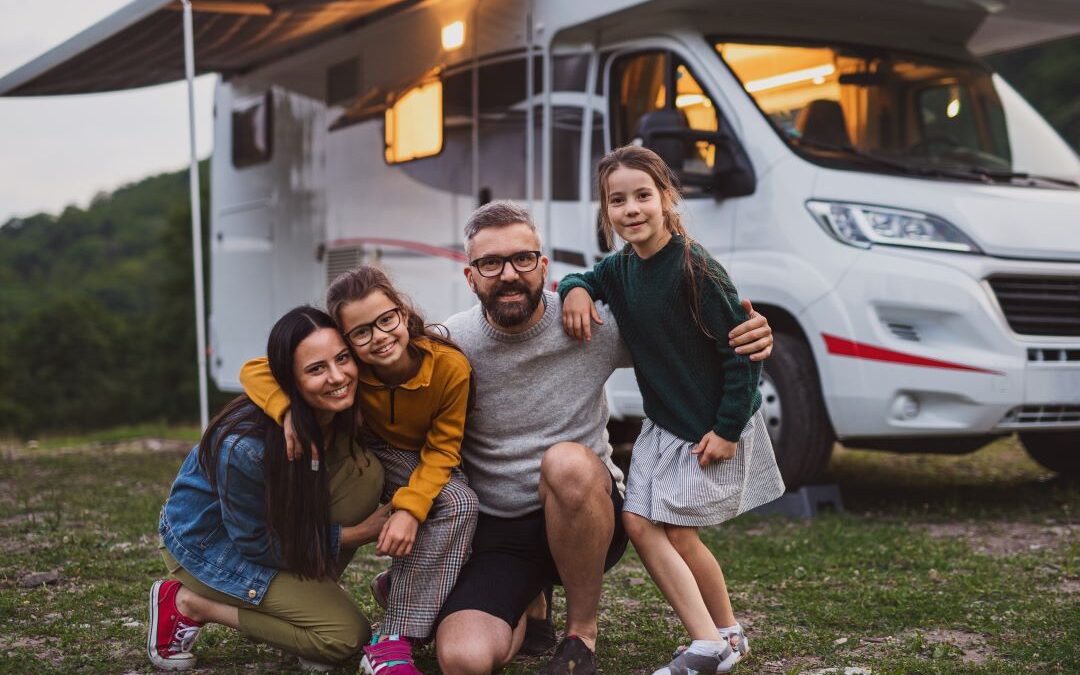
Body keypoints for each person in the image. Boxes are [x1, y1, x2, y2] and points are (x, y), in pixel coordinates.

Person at [431, 200, 775, 675]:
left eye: (522, 259)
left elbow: (686, 339)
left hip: (588, 513)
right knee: (463, 661)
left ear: (543, 266)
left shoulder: (590, 325)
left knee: (566, 462)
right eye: (490, 263)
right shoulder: (451, 341)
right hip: (502, 532)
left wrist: (750, 334)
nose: (508, 274)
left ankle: (580, 632)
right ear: (471, 277)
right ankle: (530, 605)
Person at [558, 145, 785, 674]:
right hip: (666, 424)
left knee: (652, 525)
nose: (631, 208)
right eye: (618, 200)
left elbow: (743, 353)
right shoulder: (621, 268)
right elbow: (589, 279)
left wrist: (727, 429)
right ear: (605, 211)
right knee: (664, 529)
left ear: (666, 197)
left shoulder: (695, 268)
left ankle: (707, 643)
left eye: (643, 195)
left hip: (711, 423)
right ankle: (726, 634)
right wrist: (572, 290)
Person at [239, 266, 479, 675]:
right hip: (358, 450)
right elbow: (254, 370)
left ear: (403, 312)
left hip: (414, 457)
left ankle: (392, 636)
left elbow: (442, 450)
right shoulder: (348, 365)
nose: (380, 338)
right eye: (361, 333)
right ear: (345, 340)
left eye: (386, 320)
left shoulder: (449, 369)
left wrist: (409, 508)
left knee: (459, 503)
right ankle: (306, 601)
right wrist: (287, 412)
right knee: (451, 501)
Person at [148, 306, 389, 672]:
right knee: (342, 638)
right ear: (288, 381)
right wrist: (356, 534)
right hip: (211, 546)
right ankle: (188, 603)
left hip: (277, 531)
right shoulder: (246, 447)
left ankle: (307, 604)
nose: (338, 377)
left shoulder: (339, 410)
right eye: (316, 369)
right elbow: (255, 543)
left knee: (366, 472)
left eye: (342, 359)